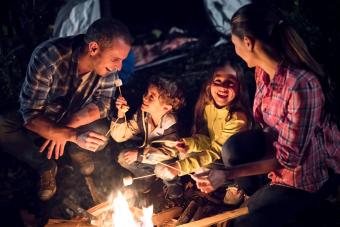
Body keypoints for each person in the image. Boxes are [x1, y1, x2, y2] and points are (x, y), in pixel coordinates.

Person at [192, 3, 340, 227]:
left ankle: (316, 206)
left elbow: (288, 160)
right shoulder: (262, 72)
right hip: (279, 159)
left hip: (306, 176)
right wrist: (228, 171)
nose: (235, 50)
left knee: (246, 222)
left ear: (248, 42)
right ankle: (262, 195)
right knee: (233, 150)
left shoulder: (302, 86)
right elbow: (267, 129)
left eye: (234, 44)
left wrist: (227, 174)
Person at [0, 18, 132, 201]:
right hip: (43, 116)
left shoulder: (108, 69)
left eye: (122, 60)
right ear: (94, 48)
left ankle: (76, 150)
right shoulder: (49, 55)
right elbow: (30, 115)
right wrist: (72, 135)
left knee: (100, 134)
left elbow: (102, 105)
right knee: (2, 127)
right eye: (116, 59)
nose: (119, 67)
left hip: (72, 116)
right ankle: (44, 166)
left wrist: (65, 129)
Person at [154, 54, 253, 202]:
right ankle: (215, 181)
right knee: (186, 154)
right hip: (218, 154)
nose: (223, 86)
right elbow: (208, 139)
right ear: (210, 84)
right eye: (218, 80)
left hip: (237, 161)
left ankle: (236, 184)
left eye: (230, 82)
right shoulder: (209, 106)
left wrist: (178, 168)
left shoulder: (237, 118)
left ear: (239, 87)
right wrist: (190, 144)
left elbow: (215, 150)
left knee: (194, 161)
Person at [110, 75, 185, 199]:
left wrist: (139, 155)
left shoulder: (171, 125)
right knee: (123, 158)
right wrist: (121, 113)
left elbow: (169, 153)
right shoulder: (143, 114)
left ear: (166, 108)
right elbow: (119, 136)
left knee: (163, 168)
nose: (145, 97)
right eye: (147, 93)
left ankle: (174, 185)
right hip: (150, 157)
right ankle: (148, 178)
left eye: (152, 97)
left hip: (171, 163)